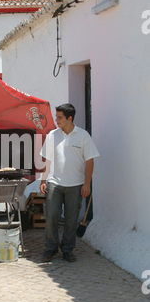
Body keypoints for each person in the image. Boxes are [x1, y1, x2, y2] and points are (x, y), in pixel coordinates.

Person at [40, 103, 99, 263]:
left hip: (76, 184)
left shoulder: (83, 135)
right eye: (56, 116)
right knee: (51, 216)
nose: (56, 119)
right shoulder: (52, 135)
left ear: (69, 118)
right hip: (54, 183)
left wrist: (87, 184)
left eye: (60, 117)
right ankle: (51, 248)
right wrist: (44, 179)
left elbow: (89, 161)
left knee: (71, 219)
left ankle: (67, 249)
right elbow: (47, 159)